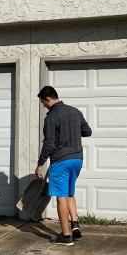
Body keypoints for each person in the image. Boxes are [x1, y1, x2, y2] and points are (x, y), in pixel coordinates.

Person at [35, 86, 92, 246]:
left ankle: (66, 237)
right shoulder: (75, 112)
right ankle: (75, 225)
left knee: (61, 196)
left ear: (48, 99)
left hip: (61, 160)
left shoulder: (51, 117)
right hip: (77, 159)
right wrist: (71, 131)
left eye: (42, 102)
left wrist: (40, 164)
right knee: (69, 193)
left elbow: (49, 144)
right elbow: (87, 132)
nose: (43, 105)